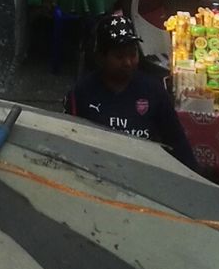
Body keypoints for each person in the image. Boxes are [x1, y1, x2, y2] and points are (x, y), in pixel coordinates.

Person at [65, 14, 196, 171]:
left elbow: (177, 142)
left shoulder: (153, 91)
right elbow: (69, 143)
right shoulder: (82, 93)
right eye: (119, 56)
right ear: (101, 57)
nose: (127, 62)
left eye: (132, 54)